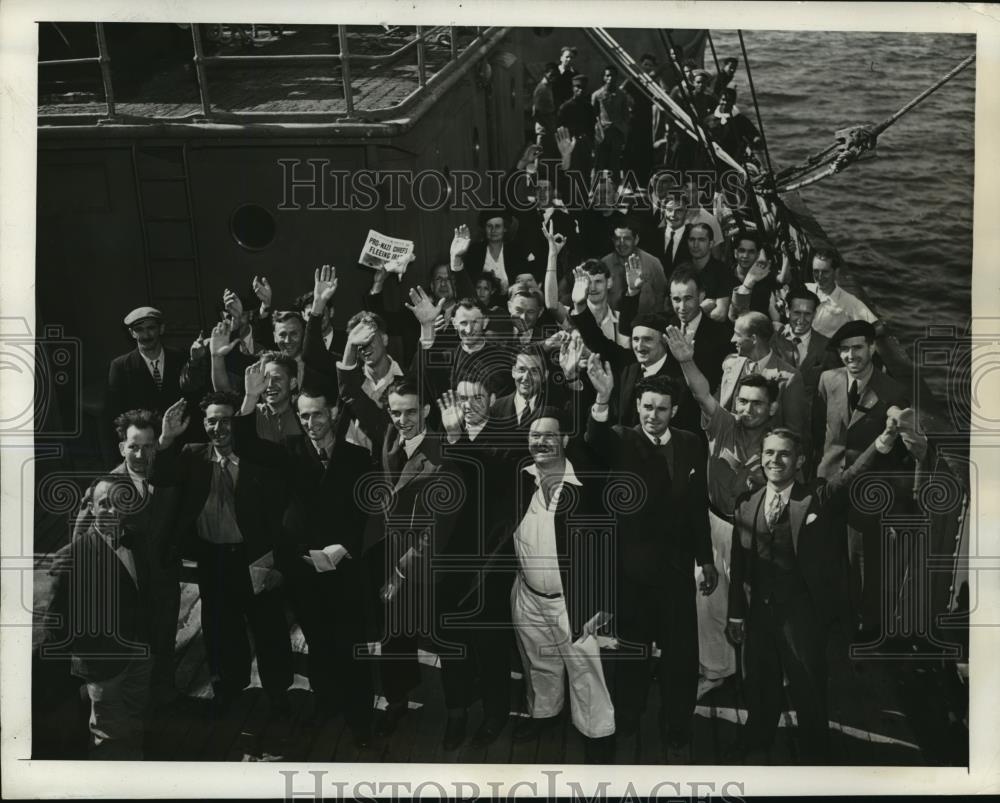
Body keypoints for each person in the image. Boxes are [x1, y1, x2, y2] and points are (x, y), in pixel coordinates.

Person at [726, 422, 904, 763]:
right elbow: (740, 565)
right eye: (769, 453)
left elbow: (850, 476)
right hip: (759, 613)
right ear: (760, 458)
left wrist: (882, 441)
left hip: (801, 614)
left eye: (784, 455)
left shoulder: (817, 497)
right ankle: (757, 737)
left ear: (800, 461)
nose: (775, 461)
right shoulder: (746, 503)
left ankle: (814, 753)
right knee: (759, 683)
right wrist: (736, 612)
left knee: (807, 686)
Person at [232, 367, 375, 748]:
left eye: (317, 414)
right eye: (304, 415)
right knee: (318, 641)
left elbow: (369, 512)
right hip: (303, 569)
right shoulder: (289, 454)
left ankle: (361, 719)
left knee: (351, 644)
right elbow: (244, 445)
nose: (311, 422)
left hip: (345, 569)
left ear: (333, 414)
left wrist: (344, 548)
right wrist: (248, 399)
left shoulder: (358, 458)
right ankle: (326, 703)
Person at [586, 360, 717, 759]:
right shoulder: (621, 440)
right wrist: (603, 397)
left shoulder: (692, 443)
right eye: (647, 407)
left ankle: (677, 723)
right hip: (632, 574)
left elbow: (697, 507)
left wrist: (706, 559)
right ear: (637, 407)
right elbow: (593, 443)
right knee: (633, 654)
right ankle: (628, 716)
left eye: (661, 408)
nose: (653, 416)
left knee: (680, 657)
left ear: (674, 411)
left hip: (677, 573)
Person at [151, 393, 293, 756]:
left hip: (255, 557)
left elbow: (283, 508)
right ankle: (228, 690)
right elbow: (160, 476)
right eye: (212, 421)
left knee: (269, 629)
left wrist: (277, 561)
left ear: (237, 422)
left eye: (226, 420)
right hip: (214, 558)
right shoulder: (191, 456)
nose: (219, 428)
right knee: (219, 628)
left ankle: (279, 696)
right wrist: (166, 438)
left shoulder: (257, 459)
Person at [664, 328, 776, 699]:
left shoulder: (780, 443)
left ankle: (761, 674)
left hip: (755, 535)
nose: (748, 409)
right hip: (714, 526)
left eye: (757, 403)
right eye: (743, 401)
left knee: (754, 603)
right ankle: (715, 669)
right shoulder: (724, 424)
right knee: (707, 600)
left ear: (771, 408)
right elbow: (701, 392)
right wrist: (685, 360)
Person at [501, 408, 617, 763]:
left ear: (565, 440)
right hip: (527, 595)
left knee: (585, 670)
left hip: (573, 600)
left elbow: (608, 549)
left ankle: (597, 733)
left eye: (550, 436)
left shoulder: (588, 486)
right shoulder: (520, 477)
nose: (541, 442)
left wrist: (603, 603)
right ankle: (545, 715)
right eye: (535, 436)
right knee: (539, 663)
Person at [351, 378, 462, 737]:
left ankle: (458, 713)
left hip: (428, 564)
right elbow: (350, 388)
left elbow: (438, 527)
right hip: (389, 552)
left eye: (411, 412)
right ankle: (397, 701)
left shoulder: (442, 455)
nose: (402, 419)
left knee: (445, 640)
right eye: (396, 412)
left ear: (427, 411)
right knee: (393, 636)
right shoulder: (390, 435)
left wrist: (401, 572)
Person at [812, 321, 927, 634]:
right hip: (830, 483)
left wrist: (899, 422)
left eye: (858, 348)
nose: (851, 355)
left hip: (867, 490)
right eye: (845, 349)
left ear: (872, 348)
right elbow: (818, 432)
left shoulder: (894, 391)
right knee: (827, 551)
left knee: (862, 558)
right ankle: (834, 612)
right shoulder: (828, 380)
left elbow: (904, 431)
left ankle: (866, 623)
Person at [66, 410, 180, 706]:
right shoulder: (104, 488)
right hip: (126, 590)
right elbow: (80, 541)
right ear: (122, 448)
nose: (141, 454)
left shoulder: (169, 477)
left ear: (158, 445)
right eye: (133, 446)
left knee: (164, 645)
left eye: (148, 445)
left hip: (165, 585)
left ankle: (163, 701)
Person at [47, 474, 154, 759]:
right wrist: (89, 656)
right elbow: (56, 622)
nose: (113, 510)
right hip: (103, 668)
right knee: (109, 737)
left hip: (139, 657)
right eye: (104, 503)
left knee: (134, 721)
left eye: (119, 502)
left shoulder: (138, 542)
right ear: (91, 508)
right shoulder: (71, 557)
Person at [719, 312, 807, 444]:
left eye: (737, 335)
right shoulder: (730, 365)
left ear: (754, 338)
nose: (732, 339)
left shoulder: (789, 378)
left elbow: (793, 432)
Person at [106, 306, 189, 428]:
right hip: (144, 441)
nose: (146, 335)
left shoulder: (182, 358)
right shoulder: (120, 366)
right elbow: (114, 414)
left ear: (161, 329)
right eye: (139, 329)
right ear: (132, 333)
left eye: (151, 328)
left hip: (182, 436)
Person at [805, 249, 879, 339]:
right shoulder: (806, 289)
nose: (820, 277)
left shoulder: (848, 301)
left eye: (825, 272)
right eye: (816, 271)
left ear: (836, 272)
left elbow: (877, 327)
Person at [601, 215, 667, 315]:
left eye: (627, 238)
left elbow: (662, 295)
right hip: (613, 323)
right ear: (613, 240)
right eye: (617, 238)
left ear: (636, 239)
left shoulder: (653, 263)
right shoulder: (604, 264)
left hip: (645, 323)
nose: (621, 243)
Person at [677, 222, 735, 322]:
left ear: (711, 243)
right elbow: (670, 310)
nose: (695, 245)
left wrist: (687, 314)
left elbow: (720, 314)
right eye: (692, 240)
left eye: (701, 240)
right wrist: (702, 309)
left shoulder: (722, 271)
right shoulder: (681, 270)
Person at [727, 236, 784, 325]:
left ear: (757, 255)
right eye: (742, 251)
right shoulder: (726, 276)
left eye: (751, 252)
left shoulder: (765, 276)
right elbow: (734, 316)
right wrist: (747, 284)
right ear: (735, 253)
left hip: (760, 331)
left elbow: (782, 280)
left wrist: (787, 255)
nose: (745, 256)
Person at [592, 65, 631, 185]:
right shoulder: (597, 95)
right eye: (607, 75)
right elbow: (593, 114)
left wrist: (623, 130)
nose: (610, 78)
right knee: (599, 163)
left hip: (616, 133)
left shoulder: (621, 95)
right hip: (602, 133)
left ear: (616, 77)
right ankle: (593, 190)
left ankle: (615, 192)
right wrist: (598, 130)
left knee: (615, 163)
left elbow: (625, 114)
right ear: (604, 77)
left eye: (613, 75)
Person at [557, 74, 596, 177]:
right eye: (577, 87)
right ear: (572, 88)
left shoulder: (589, 108)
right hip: (570, 146)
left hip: (585, 145)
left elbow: (592, 128)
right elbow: (559, 128)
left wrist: (592, 147)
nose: (580, 90)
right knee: (571, 175)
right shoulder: (565, 107)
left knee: (585, 174)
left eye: (583, 87)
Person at [532, 62, 559, 135]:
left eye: (555, 75)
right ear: (545, 73)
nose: (553, 78)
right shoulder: (541, 89)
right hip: (544, 131)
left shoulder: (548, 87)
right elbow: (536, 113)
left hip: (549, 129)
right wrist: (548, 126)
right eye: (551, 75)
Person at [552, 46, 578, 110]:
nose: (569, 59)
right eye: (567, 57)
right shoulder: (553, 72)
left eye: (571, 58)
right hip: (554, 106)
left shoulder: (575, 74)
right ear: (561, 58)